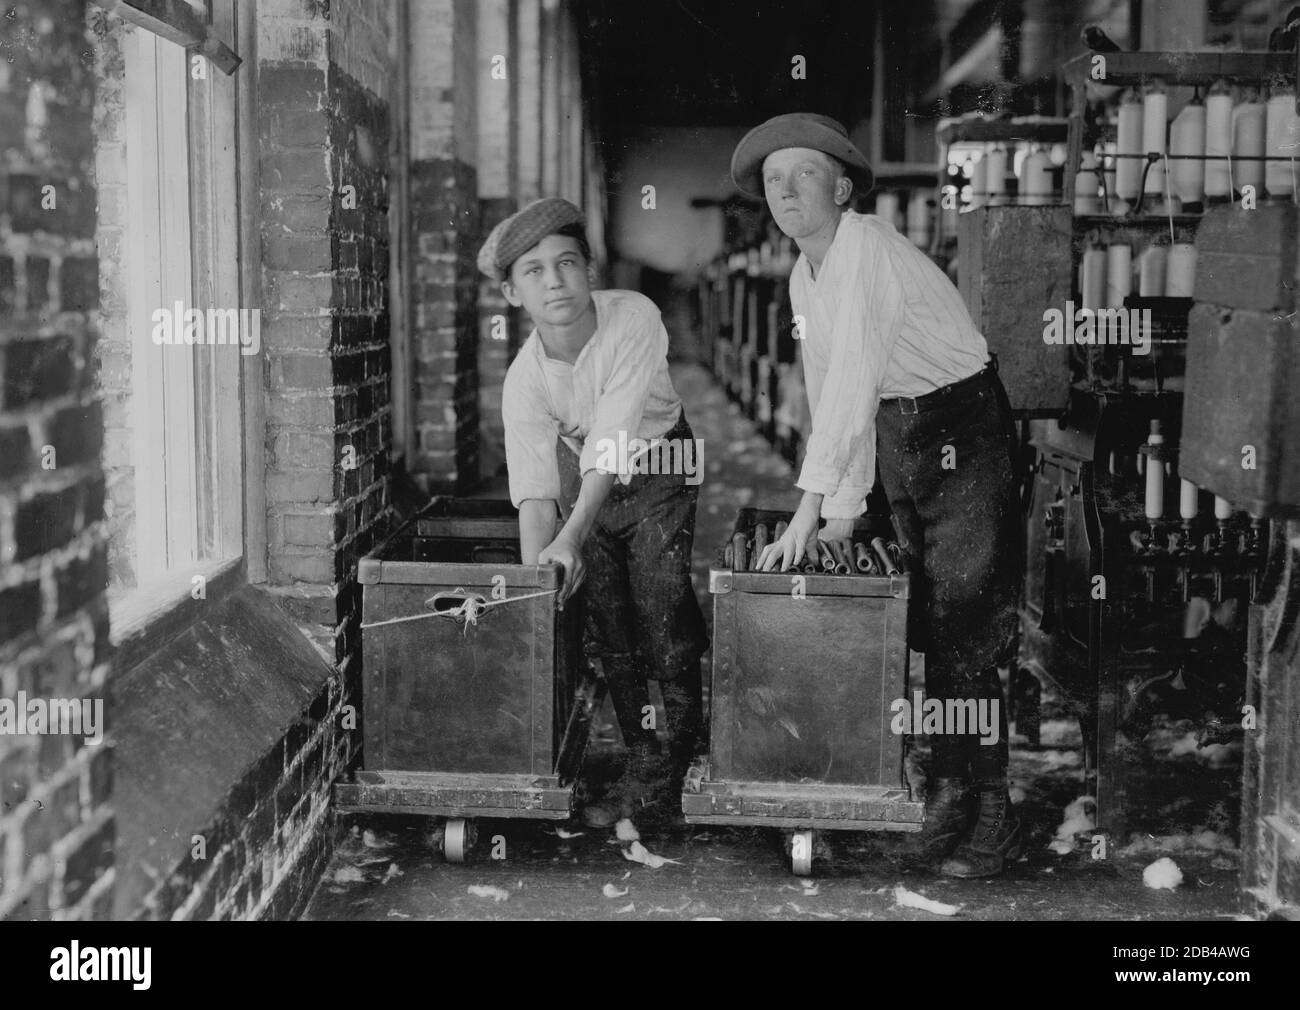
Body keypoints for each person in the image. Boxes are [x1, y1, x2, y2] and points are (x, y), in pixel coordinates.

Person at [732, 114, 1024, 877]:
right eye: (773, 180)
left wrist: (808, 514)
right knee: (925, 622)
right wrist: (838, 509)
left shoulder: (867, 251)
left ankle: (994, 813)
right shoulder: (805, 272)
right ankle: (951, 792)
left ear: (843, 186)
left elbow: (852, 387)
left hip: (964, 429)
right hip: (903, 433)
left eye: (803, 174)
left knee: (968, 627)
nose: (787, 191)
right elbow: (828, 394)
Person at [477, 197, 708, 828]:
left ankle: (686, 746)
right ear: (512, 292)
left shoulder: (634, 318)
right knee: (607, 615)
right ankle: (642, 752)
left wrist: (572, 534)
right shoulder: (525, 380)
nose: (554, 281)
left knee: (658, 601)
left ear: (590, 270)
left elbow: (613, 438)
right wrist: (538, 585)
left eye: (567, 262)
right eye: (533, 271)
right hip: (588, 479)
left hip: (660, 460)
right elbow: (533, 488)